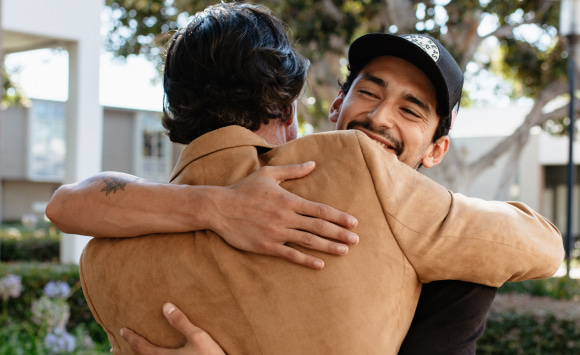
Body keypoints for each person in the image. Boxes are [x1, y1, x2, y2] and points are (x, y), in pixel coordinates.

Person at [48, 2, 564, 354]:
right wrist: (215, 206)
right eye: (369, 93)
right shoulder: (356, 180)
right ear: (316, 105)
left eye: (411, 110)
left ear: (437, 148)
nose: (381, 119)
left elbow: (70, 205)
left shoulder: (106, 254)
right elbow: (545, 245)